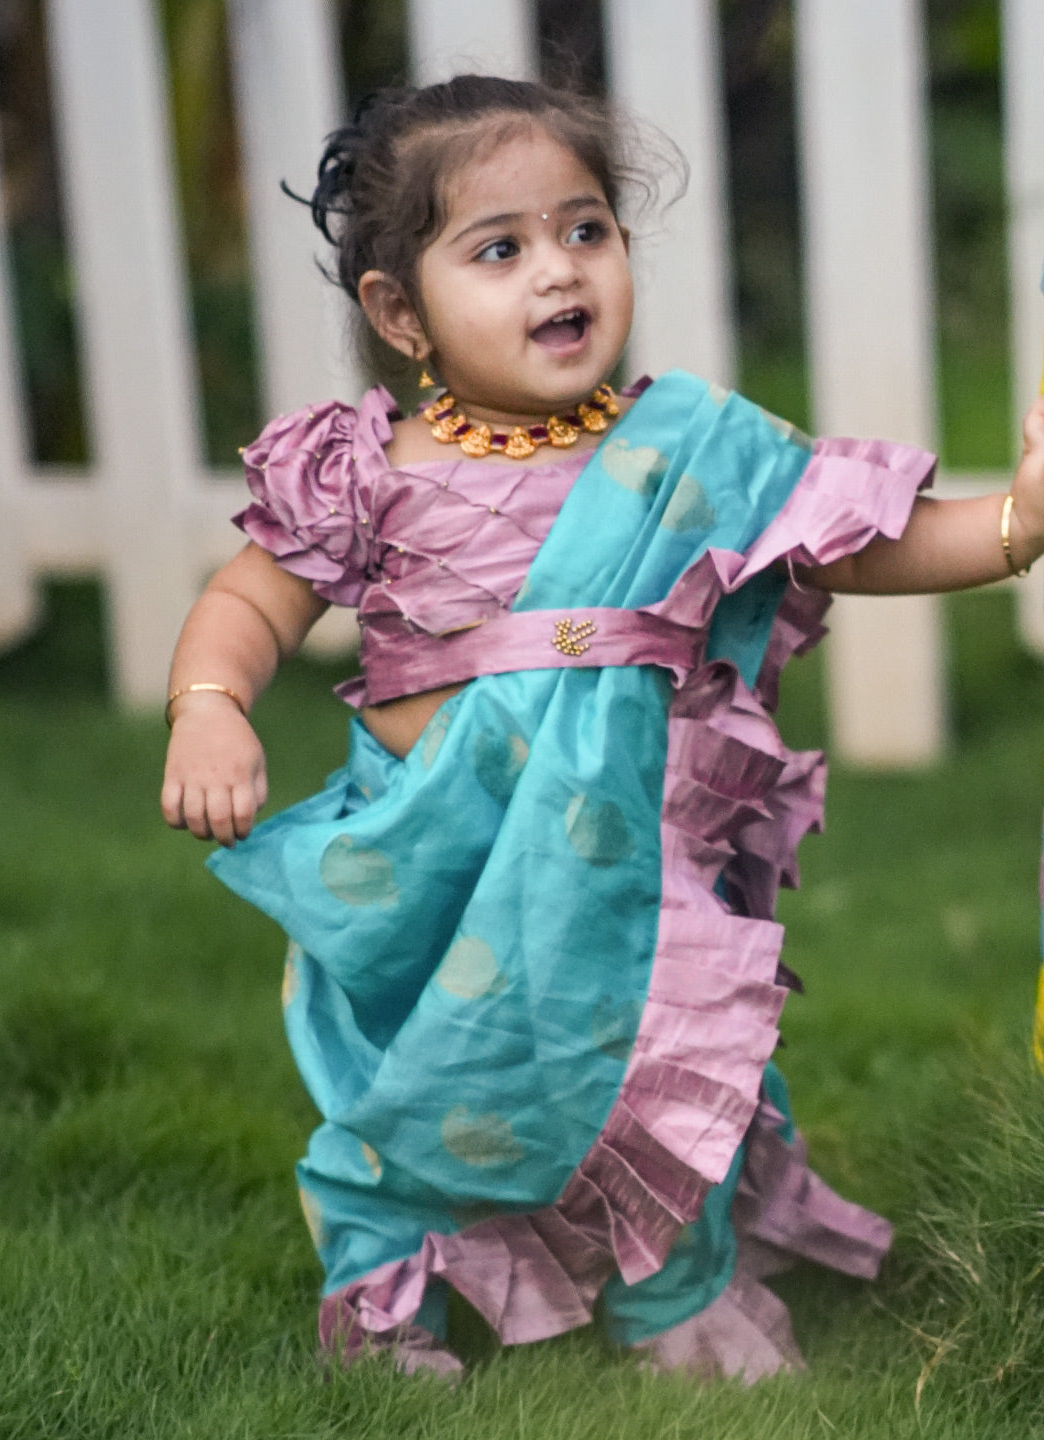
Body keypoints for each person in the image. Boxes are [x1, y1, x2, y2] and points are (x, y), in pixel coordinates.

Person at [161, 75, 1044, 1383]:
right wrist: (209, 704)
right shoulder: (371, 468)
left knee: (658, 1065)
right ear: (400, 310)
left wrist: (1019, 523)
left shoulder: (687, 445)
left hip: (620, 857)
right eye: (500, 248)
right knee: (422, 1080)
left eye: (586, 230)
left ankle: (675, 1296)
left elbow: (861, 540)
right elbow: (249, 596)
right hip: (429, 871)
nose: (558, 272)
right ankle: (387, 1284)